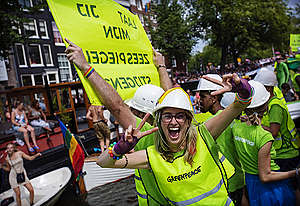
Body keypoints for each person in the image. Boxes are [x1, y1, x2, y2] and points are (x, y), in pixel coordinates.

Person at [98, 73, 253, 205]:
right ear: (159, 122)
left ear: (188, 121)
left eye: (180, 116)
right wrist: (118, 148)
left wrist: (242, 88)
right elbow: (103, 162)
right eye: (167, 116)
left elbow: (241, 103)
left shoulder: (203, 136)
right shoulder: (153, 156)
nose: (173, 122)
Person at [65, 38, 172, 205]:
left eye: (134, 111)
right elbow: (170, 95)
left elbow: (117, 107)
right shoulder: (180, 128)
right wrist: (161, 67)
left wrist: (86, 67)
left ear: (141, 113)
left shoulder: (150, 136)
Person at [231, 80, 297, 205]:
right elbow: (265, 176)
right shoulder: (264, 136)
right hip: (273, 190)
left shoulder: (236, 128)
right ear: (265, 105)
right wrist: (295, 172)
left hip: (252, 186)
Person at [195, 74, 246, 205]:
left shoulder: (214, 122)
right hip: (236, 180)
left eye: (203, 96)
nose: (199, 100)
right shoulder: (228, 116)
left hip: (230, 182)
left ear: (214, 97)